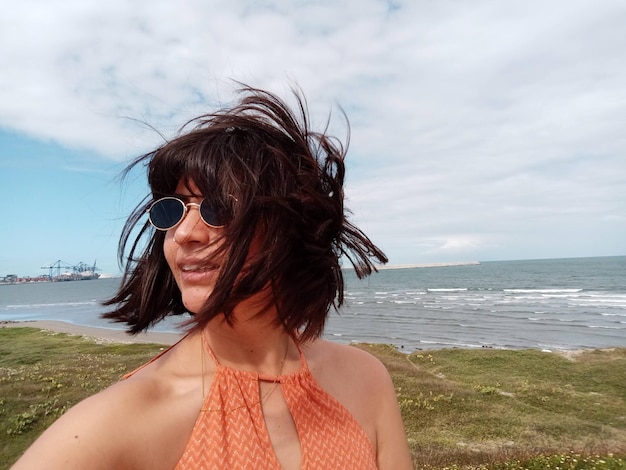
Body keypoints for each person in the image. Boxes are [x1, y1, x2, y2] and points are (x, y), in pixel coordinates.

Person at [12, 86, 413, 470]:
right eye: (173, 211)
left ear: (289, 228)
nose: (184, 233)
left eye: (218, 208)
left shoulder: (365, 379)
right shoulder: (116, 425)